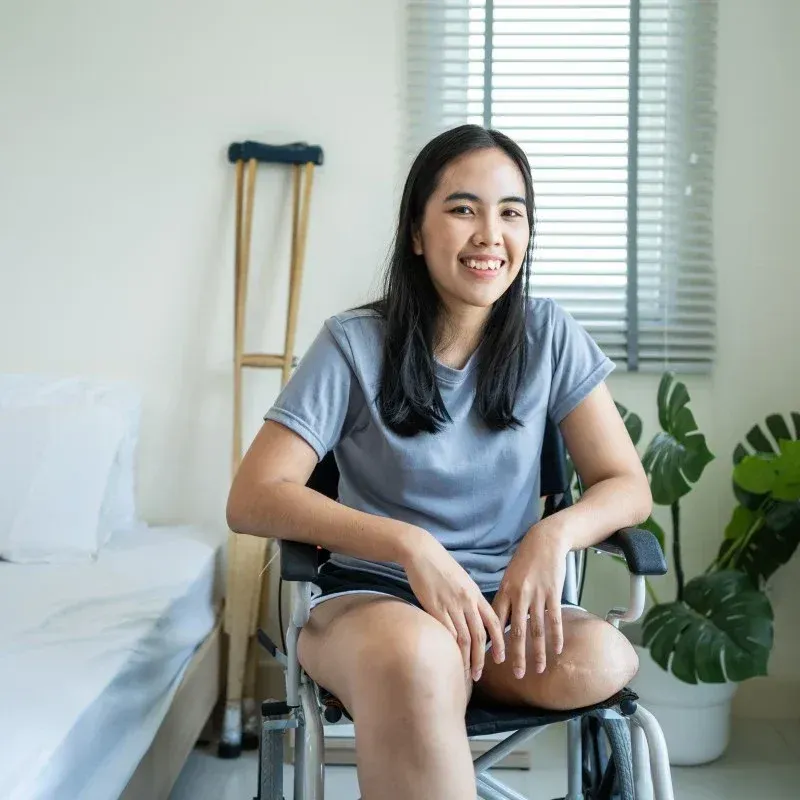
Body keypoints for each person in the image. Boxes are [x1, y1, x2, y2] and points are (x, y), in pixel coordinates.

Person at [226, 124, 651, 800]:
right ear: (417, 234)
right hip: (372, 604)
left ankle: (440, 680)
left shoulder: (549, 335)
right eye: (463, 209)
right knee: (419, 657)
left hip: (498, 615)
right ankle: (429, 680)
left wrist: (553, 535)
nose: (490, 234)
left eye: (511, 213)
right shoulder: (353, 344)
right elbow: (253, 496)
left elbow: (626, 485)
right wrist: (411, 546)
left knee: (602, 655)